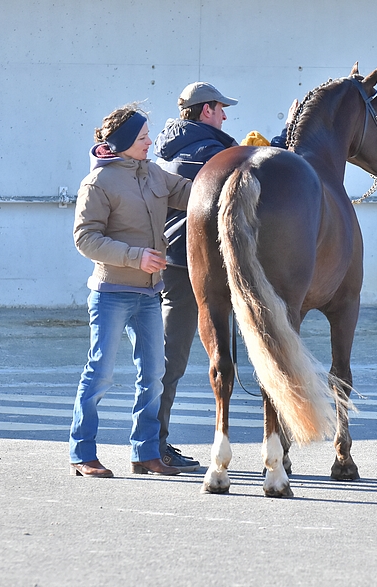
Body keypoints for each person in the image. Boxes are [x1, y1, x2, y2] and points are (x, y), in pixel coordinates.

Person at [69, 102, 192, 478]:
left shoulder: (153, 174)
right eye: (142, 138)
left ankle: (144, 453)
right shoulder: (98, 183)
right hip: (111, 293)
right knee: (100, 373)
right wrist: (135, 256)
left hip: (149, 295)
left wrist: (239, 172)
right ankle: (82, 453)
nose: (150, 142)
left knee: (153, 375)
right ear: (123, 142)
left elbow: (194, 192)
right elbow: (85, 238)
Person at [152, 82, 240, 472]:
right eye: (221, 108)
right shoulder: (205, 152)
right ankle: (153, 446)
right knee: (171, 359)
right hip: (187, 267)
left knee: (168, 358)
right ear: (206, 111)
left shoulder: (176, 148)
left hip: (173, 264)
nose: (225, 115)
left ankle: (153, 442)